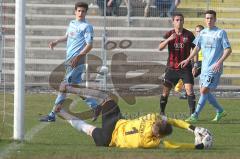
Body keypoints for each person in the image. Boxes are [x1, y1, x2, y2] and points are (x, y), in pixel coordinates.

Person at [57, 86, 212, 149]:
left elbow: (172, 121)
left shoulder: (153, 116)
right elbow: (172, 145)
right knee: (87, 129)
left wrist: (194, 128)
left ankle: (70, 88)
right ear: (158, 134)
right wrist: (197, 146)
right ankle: (61, 112)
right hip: (109, 139)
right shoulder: (148, 141)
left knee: (106, 97)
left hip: (117, 121)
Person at [40, 2, 100, 122]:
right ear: (75, 11)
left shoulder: (87, 27)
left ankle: (52, 114)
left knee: (64, 86)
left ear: (85, 13)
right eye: (79, 11)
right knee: (74, 87)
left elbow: (89, 45)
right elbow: (67, 36)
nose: (80, 13)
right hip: (70, 60)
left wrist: (78, 57)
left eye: (83, 11)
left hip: (77, 61)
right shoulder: (72, 23)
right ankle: (95, 106)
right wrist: (56, 41)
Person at [180, 10, 232, 122]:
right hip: (204, 68)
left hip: (214, 68)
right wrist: (188, 59)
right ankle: (220, 111)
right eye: (207, 18)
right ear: (205, 20)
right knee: (205, 92)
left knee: (203, 91)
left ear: (215, 19)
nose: (209, 20)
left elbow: (228, 49)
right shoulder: (202, 33)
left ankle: (195, 115)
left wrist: (219, 62)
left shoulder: (220, 32)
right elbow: (197, 48)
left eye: (211, 18)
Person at [158, 13, 196, 116]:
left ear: (183, 21)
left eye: (181, 20)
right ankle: (162, 112)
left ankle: (193, 115)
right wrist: (169, 39)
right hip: (171, 68)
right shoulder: (169, 34)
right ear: (173, 22)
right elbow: (160, 47)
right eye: (177, 20)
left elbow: (196, 49)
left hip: (185, 68)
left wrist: (194, 64)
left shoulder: (189, 34)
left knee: (189, 90)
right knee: (165, 92)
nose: (179, 22)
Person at [175, 25, 204, 100]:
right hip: (193, 61)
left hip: (203, 61)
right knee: (187, 74)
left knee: (191, 74)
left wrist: (195, 64)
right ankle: (187, 93)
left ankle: (190, 93)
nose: (199, 33)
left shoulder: (205, 40)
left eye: (200, 31)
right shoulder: (194, 40)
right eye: (197, 31)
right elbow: (192, 52)